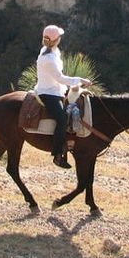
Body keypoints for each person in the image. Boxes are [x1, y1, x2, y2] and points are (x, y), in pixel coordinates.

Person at [34, 25, 92, 169]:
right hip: (48, 93)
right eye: (59, 37)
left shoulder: (50, 51)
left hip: (57, 90)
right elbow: (60, 78)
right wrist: (80, 80)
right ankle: (57, 155)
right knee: (61, 118)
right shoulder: (48, 58)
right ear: (55, 40)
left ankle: (69, 143)